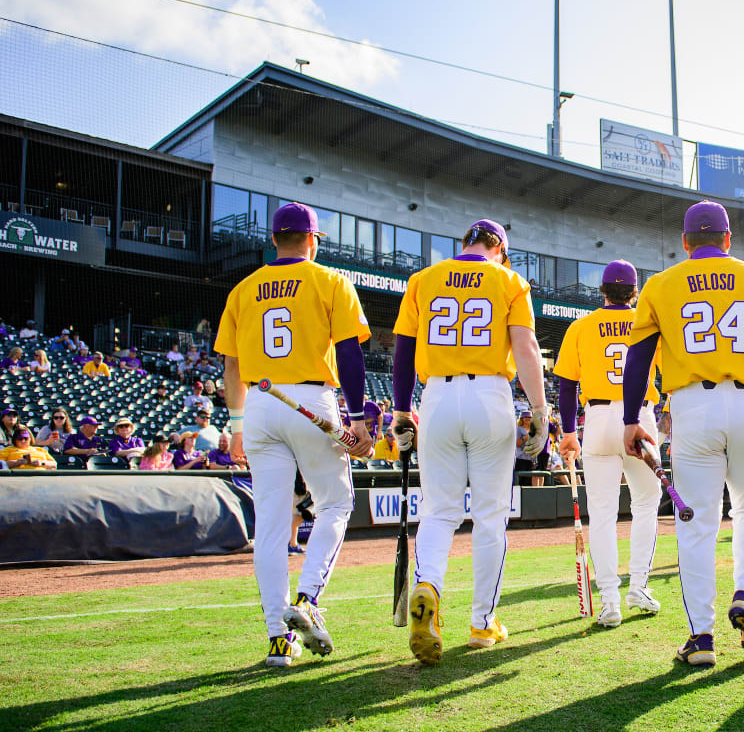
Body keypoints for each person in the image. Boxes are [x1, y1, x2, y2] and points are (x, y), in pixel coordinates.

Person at [620, 201, 744, 667]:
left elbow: (639, 359)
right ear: (728, 239)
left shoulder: (662, 284)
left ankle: (701, 638)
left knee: (698, 524)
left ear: (685, 242)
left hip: (693, 406)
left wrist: (631, 419)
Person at [216, 201, 374, 668]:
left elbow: (231, 365)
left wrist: (237, 427)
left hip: (261, 403)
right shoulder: (329, 280)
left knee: (269, 523)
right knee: (336, 505)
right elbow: (349, 355)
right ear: (313, 240)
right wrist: (358, 417)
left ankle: (278, 639)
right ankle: (307, 599)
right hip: (310, 399)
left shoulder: (243, 288)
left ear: (273, 239)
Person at [392, 218, 547, 665]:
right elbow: (525, 348)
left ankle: (429, 589)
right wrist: (540, 410)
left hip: (437, 395)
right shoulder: (509, 279)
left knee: (439, 512)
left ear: (465, 242)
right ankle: (483, 622)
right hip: (489, 396)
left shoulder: (422, 279)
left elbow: (403, 350)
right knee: (490, 516)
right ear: (498, 247)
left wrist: (402, 409)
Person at [554, 259, 665, 629]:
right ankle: (639, 587)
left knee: (601, 513)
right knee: (646, 505)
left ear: (601, 290)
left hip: (598, 419)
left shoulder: (581, 326)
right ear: (635, 291)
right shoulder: (648, 322)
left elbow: (567, 384)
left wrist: (569, 432)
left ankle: (609, 602)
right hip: (640, 416)